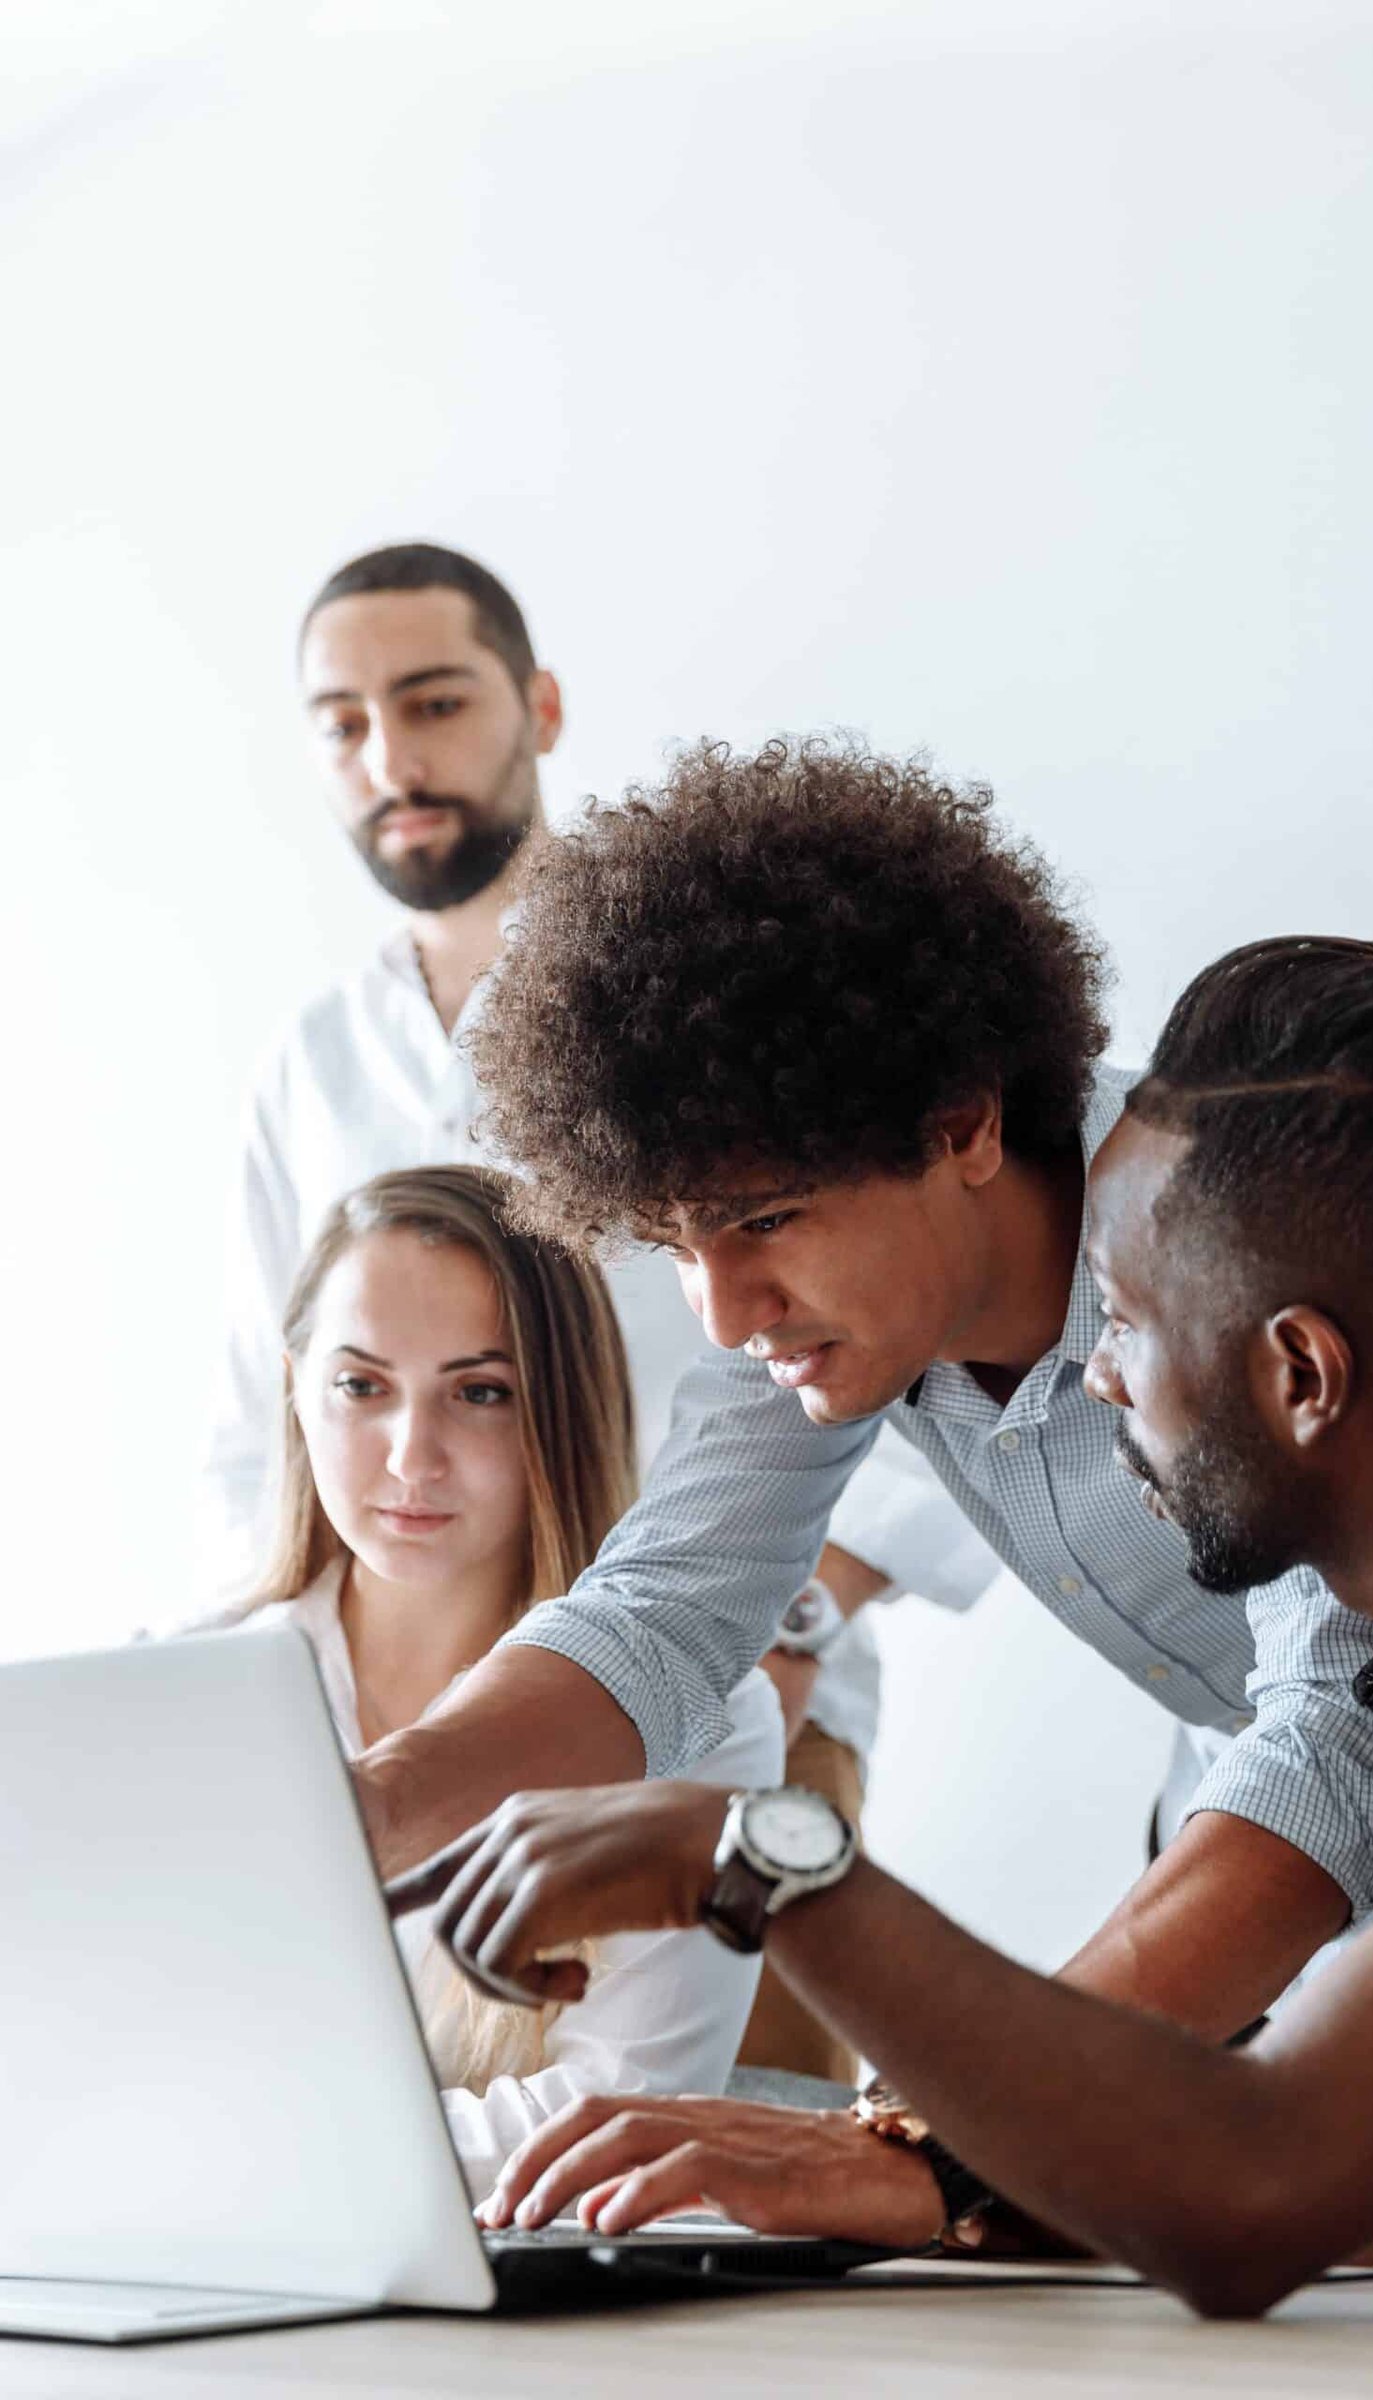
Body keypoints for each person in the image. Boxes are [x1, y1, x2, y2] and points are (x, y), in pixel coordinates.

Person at [391, 937, 1373, 2311]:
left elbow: (1278, 2173)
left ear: (1301, 1371)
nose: (1085, 1380)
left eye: (1126, 1322)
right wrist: (954, 2167)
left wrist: (770, 1883)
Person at [350, 739, 1373, 2060]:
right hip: (1249, 1839)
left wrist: (945, 2134)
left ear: (965, 1127)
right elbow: (666, 1605)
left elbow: (1349, 1721)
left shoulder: (1236, 1239)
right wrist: (366, 1808)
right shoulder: (821, 1301)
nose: (725, 1311)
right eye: (675, 1244)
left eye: (766, 1220)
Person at [199, 546, 972, 2076]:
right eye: (343, 722)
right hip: (403, 1707)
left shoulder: (689, 1004)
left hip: (733, 1673)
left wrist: (786, 1619)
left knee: (723, 2170)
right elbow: (255, 1420)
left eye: (433, 702)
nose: (392, 758)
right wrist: (272, 1704)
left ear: (538, 707)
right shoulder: (316, 1058)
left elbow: (900, 1311)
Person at [212, 1163, 783, 2201]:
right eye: (360, 1386)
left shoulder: (698, 1714)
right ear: (293, 1385)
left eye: (480, 1392)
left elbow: (614, 2120)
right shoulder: (186, 1689)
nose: (411, 1459)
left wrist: (239, 2152)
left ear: (565, 1405)